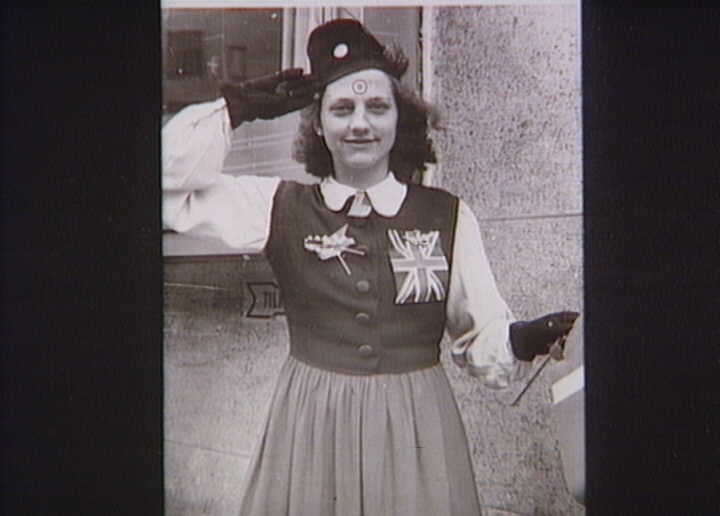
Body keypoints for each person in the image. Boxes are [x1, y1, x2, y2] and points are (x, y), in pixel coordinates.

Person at [163, 18, 578, 516]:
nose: (360, 124)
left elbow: (478, 336)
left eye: (377, 107)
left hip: (415, 431)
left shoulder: (447, 215)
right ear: (318, 123)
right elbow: (163, 186)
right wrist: (237, 109)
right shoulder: (276, 205)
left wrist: (523, 339)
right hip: (313, 426)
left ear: (398, 118)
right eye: (342, 109)